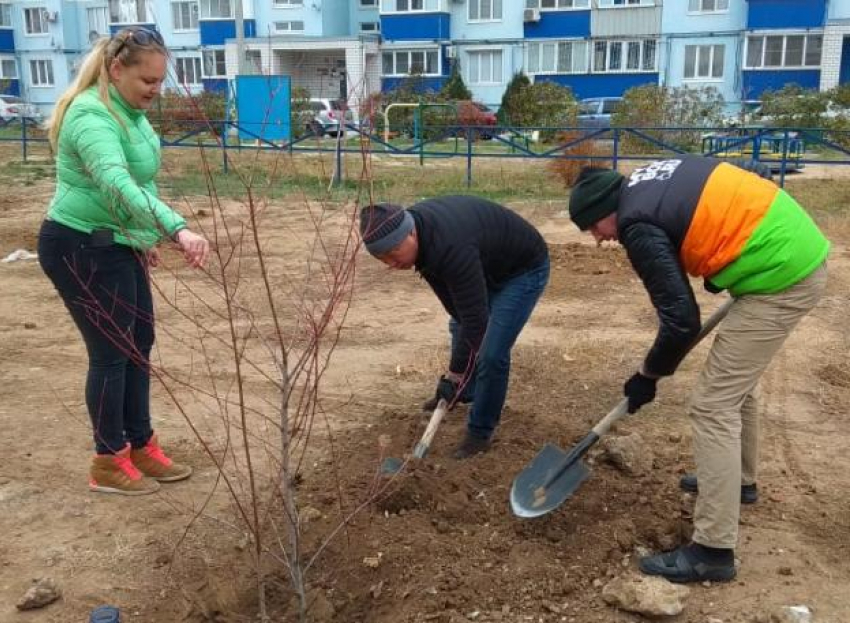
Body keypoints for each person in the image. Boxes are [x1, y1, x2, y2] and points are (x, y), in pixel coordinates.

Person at [567, 156, 829, 583]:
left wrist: (647, 376)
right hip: (786, 253)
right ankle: (740, 482)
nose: (597, 239)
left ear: (605, 212)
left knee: (712, 405)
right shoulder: (650, 182)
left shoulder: (637, 224)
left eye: (593, 228)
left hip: (782, 275)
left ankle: (712, 551)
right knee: (735, 385)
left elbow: (680, 320)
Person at [38, 28, 210, 496]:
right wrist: (178, 228)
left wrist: (143, 235)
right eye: (147, 81)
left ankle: (139, 444)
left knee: (139, 344)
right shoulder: (91, 115)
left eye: (159, 81)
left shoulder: (131, 114)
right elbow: (115, 183)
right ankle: (107, 461)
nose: (155, 91)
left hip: (116, 241)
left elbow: (142, 184)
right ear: (117, 70)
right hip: (79, 246)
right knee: (112, 355)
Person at [359, 196, 549, 459]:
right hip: (487, 263)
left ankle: (480, 432)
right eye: (382, 258)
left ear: (411, 232)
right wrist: (456, 377)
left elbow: (476, 322)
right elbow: (459, 313)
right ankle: (465, 390)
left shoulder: (448, 244)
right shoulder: (421, 239)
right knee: (461, 327)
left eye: (393, 252)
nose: (391, 263)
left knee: (491, 353)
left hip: (523, 270)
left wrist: (455, 372)